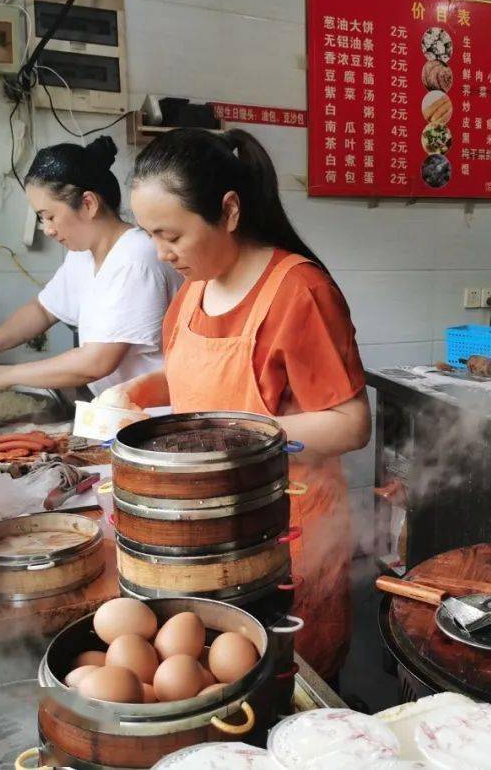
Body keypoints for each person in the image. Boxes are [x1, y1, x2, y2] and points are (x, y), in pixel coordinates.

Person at [108, 127, 370, 681]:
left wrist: (238, 434)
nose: (161, 252)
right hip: (204, 531)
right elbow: (191, 384)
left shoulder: (298, 292)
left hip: (286, 531)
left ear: (228, 211)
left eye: (171, 234)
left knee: (290, 684)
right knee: (212, 685)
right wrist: (137, 391)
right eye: (150, 235)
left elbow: (350, 424)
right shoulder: (194, 289)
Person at [0, 137, 181, 398]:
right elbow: (43, 310)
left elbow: (96, 362)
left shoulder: (136, 259)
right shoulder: (83, 255)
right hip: (120, 408)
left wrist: (4, 376)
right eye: (41, 218)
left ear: (88, 204)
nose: (48, 229)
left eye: (50, 216)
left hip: (157, 412)